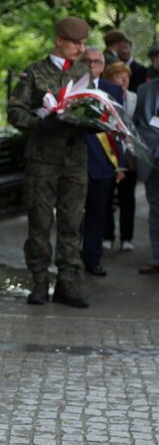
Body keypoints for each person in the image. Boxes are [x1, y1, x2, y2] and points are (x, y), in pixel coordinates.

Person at [7, 16, 97, 308]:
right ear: (59, 40)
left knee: (72, 223)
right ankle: (39, 283)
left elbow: (92, 108)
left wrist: (93, 122)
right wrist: (39, 123)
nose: (80, 49)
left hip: (75, 160)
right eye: (75, 43)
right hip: (43, 160)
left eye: (83, 43)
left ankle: (67, 284)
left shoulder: (83, 73)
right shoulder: (35, 73)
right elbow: (15, 111)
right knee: (40, 223)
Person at [79, 48, 123, 277]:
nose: (91, 65)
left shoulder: (112, 90)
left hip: (104, 161)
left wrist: (120, 163)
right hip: (74, 160)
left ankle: (92, 258)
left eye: (96, 61)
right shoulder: (71, 88)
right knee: (72, 216)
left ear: (103, 66)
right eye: (87, 60)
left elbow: (120, 129)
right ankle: (70, 260)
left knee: (97, 215)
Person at [102, 61, 138, 252]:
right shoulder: (103, 98)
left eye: (127, 77)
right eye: (119, 77)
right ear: (110, 79)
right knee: (107, 197)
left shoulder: (134, 98)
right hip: (108, 152)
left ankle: (127, 237)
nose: (124, 81)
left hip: (129, 153)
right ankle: (107, 235)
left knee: (127, 198)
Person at [133, 78, 159, 274]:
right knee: (156, 212)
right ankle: (156, 258)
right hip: (152, 160)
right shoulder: (144, 89)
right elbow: (135, 124)